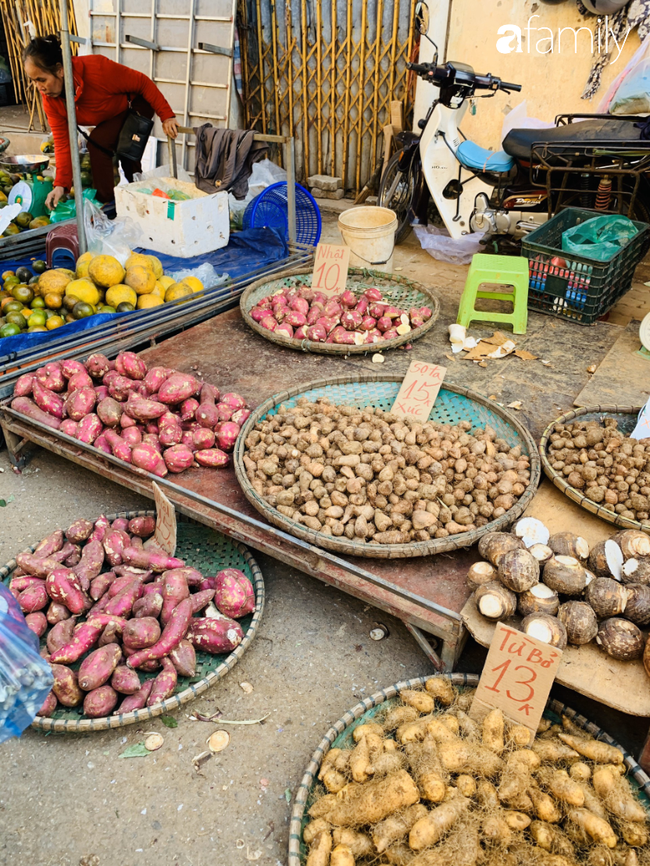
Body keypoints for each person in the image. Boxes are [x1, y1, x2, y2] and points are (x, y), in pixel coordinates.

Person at [23, 36, 179, 209]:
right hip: (112, 113)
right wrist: (61, 185)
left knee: (107, 146)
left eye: (41, 80)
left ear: (60, 70)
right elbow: (62, 143)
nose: (39, 87)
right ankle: (123, 199)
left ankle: (112, 204)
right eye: (33, 80)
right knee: (106, 145)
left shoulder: (97, 69)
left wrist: (167, 116)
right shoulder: (50, 101)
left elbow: (143, 83)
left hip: (136, 103)